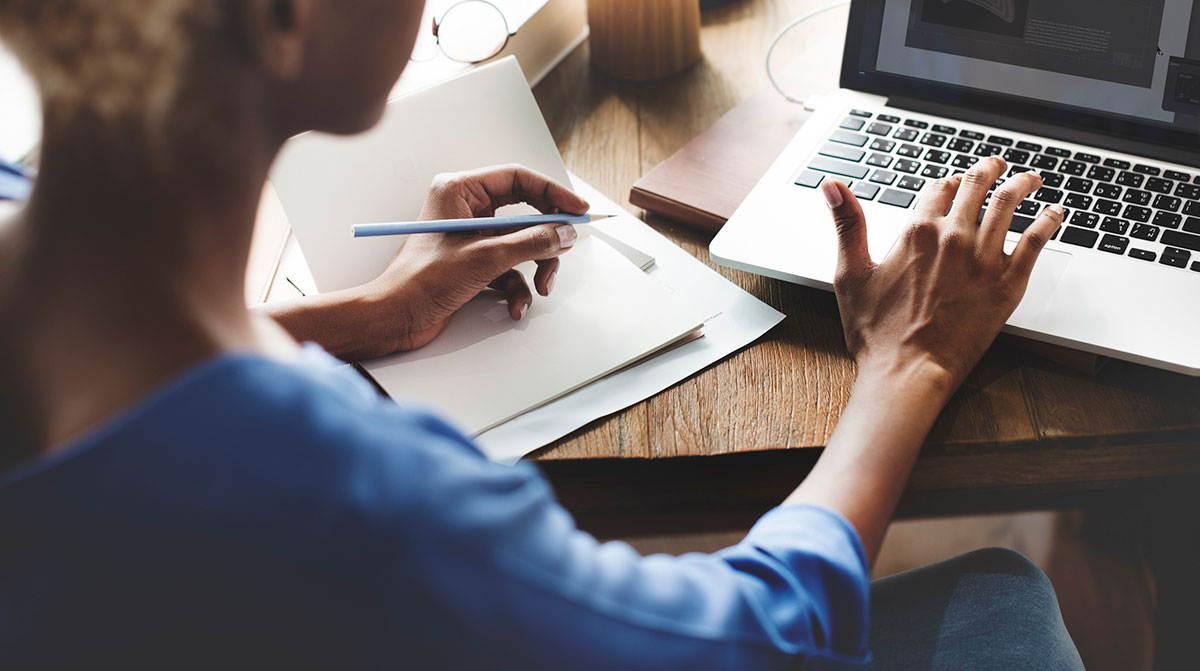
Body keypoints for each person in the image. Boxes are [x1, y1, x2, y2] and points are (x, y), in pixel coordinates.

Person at [0, 1, 1084, 669]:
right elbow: (750, 637)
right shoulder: (355, 505)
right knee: (1003, 594)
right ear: (279, 16)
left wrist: (358, 315)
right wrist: (909, 364)